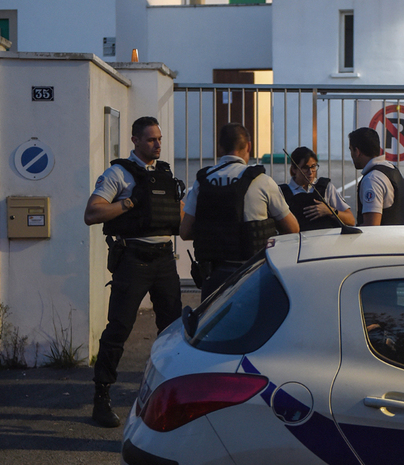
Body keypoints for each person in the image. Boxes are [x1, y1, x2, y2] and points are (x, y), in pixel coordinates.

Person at [84, 116, 184, 428]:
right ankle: (101, 397)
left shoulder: (165, 173)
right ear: (135, 140)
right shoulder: (118, 173)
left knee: (173, 331)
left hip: (164, 259)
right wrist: (128, 204)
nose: (157, 144)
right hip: (133, 259)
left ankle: (171, 395)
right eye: (151, 139)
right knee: (119, 329)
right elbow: (92, 212)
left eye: (159, 139)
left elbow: (178, 215)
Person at [180, 123, 299, 299]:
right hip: (252, 274)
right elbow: (293, 228)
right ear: (248, 146)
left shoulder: (202, 181)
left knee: (214, 325)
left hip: (213, 275)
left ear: (220, 147)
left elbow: (185, 232)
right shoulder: (262, 181)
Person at [280, 146, 355, 230]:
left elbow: (351, 220)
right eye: (305, 168)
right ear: (294, 169)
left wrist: (330, 211)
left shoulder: (326, 187)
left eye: (313, 166)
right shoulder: (283, 192)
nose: (310, 172)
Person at [348, 126, 404, 226]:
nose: (351, 155)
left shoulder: (372, 179)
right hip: (395, 239)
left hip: (380, 241)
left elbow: (371, 226)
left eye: (351, 150)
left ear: (357, 152)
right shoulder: (392, 170)